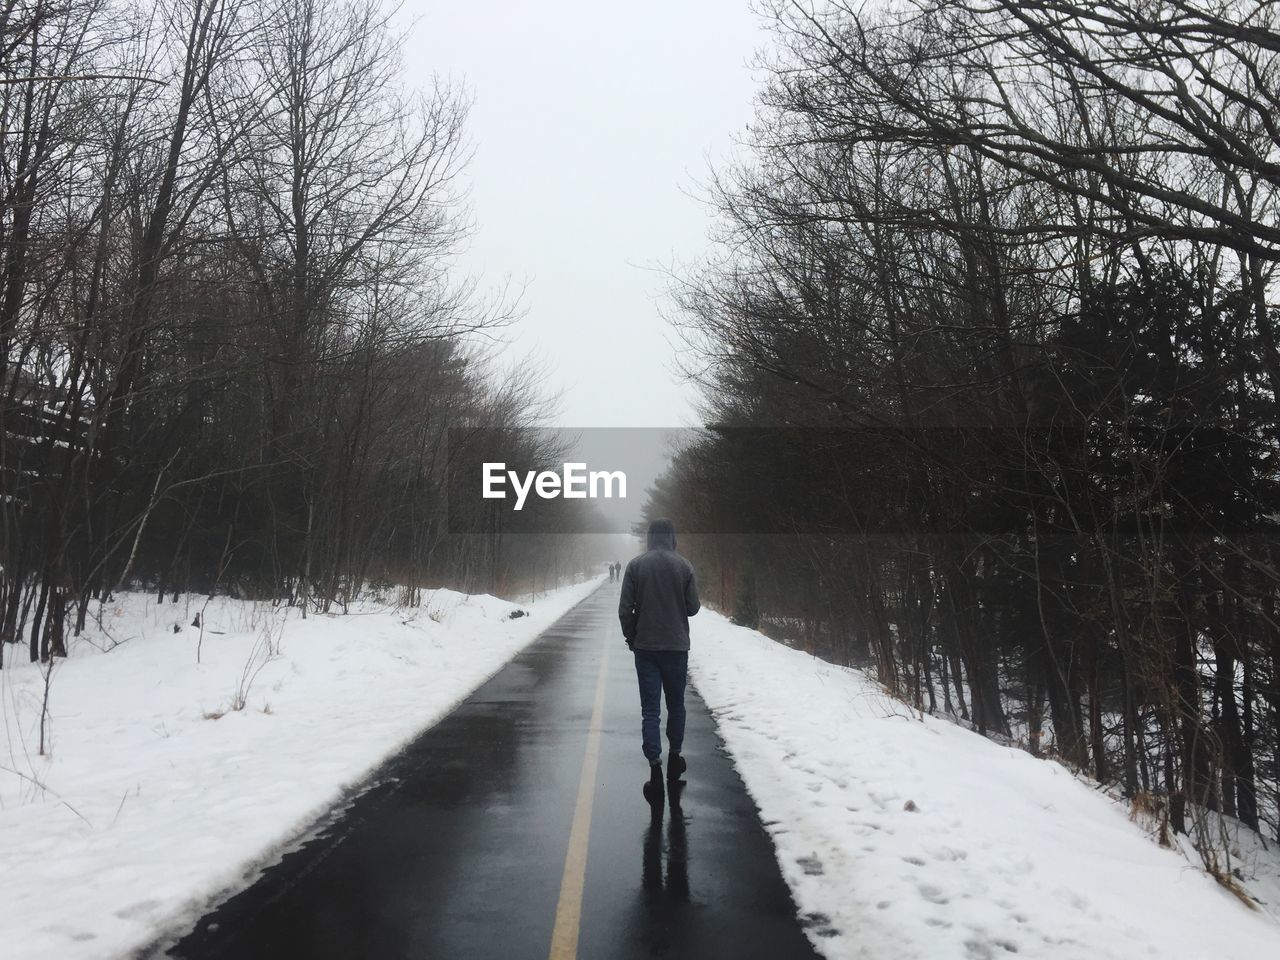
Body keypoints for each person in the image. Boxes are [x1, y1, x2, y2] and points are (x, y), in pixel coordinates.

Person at [618, 518, 700, 805]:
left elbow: (624, 609)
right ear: (673, 537)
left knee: (650, 709)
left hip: (647, 648)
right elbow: (693, 608)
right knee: (676, 705)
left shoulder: (636, 566)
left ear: (650, 538)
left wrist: (632, 637)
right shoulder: (684, 566)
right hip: (676, 648)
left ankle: (655, 767)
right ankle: (675, 758)